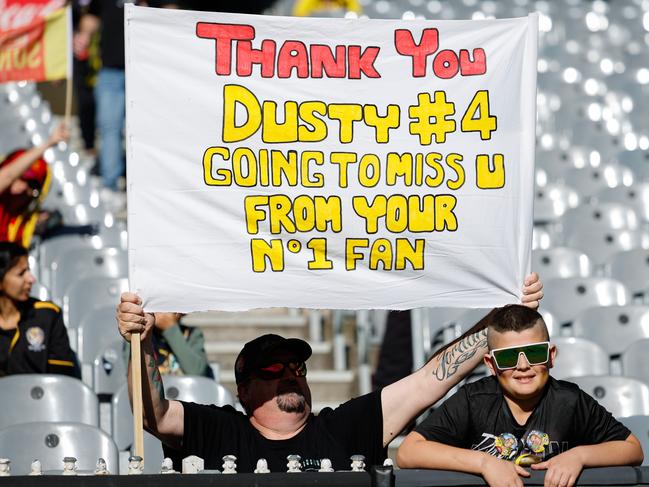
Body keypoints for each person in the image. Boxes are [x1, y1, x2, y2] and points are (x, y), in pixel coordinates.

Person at [115, 273, 543, 472]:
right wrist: (144, 338)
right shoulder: (222, 431)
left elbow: (430, 381)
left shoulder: (343, 429)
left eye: (296, 366)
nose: (289, 374)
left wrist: (502, 318)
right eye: (272, 368)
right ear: (244, 391)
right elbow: (153, 415)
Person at [396, 304, 643, 487]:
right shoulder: (474, 399)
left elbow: (632, 449)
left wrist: (579, 457)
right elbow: (409, 452)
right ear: (491, 365)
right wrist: (484, 463)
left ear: (551, 355)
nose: (523, 366)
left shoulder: (570, 400)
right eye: (508, 357)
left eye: (534, 353)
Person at [0, 242, 79, 377]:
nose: (31, 279)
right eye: (21, 273)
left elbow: (62, 379)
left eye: (29, 270)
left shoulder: (48, 316)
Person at [0, 123, 69, 246]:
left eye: (32, 186)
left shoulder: (23, 226)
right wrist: (49, 143)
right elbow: (7, 176)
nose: (24, 187)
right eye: (20, 178)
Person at [122, 312, 213, 377]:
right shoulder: (139, 335)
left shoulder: (191, 334)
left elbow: (197, 372)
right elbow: (135, 376)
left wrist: (170, 329)